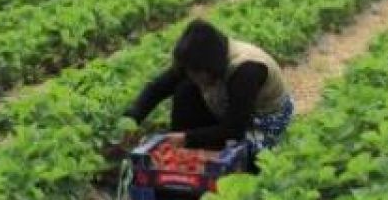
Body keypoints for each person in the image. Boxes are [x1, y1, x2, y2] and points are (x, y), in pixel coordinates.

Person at [123, 19, 295, 152]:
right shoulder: (198, 59)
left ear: (210, 65)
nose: (191, 75)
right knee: (185, 90)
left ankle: (202, 156)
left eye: (195, 73)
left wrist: (187, 138)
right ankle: (187, 158)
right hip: (228, 111)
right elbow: (158, 87)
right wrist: (132, 118)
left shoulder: (246, 70)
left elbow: (234, 129)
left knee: (246, 156)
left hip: (260, 121)